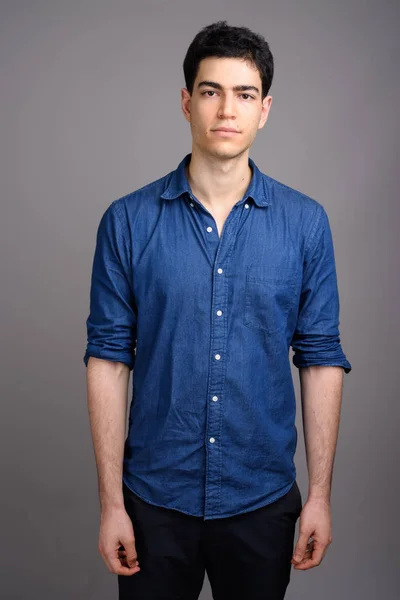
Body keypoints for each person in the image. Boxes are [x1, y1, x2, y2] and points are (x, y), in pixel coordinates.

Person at [83, 20, 352, 600]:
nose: (226, 109)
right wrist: (111, 505)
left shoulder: (305, 224)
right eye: (210, 91)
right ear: (186, 102)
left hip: (262, 501)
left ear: (265, 109)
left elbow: (321, 358)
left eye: (244, 94)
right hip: (153, 502)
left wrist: (321, 496)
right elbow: (107, 359)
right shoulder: (127, 222)